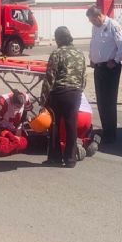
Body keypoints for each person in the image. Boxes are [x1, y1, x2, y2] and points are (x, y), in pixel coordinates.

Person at [40, 26, 86, 168]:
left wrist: (43, 98)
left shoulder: (57, 53)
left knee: (54, 125)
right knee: (71, 126)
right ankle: (71, 159)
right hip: (75, 94)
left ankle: (55, 157)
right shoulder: (80, 53)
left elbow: (50, 77)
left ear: (59, 39)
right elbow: (83, 77)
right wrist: (78, 91)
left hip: (59, 93)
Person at [86, 5, 122, 144]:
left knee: (109, 101)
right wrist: (92, 57)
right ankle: (105, 129)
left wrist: (115, 61)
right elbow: (94, 44)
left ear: (98, 16)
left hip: (110, 68)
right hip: (98, 67)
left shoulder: (113, 25)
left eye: (92, 20)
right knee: (101, 101)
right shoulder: (95, 27)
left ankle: (110, 134)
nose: (92, 23)